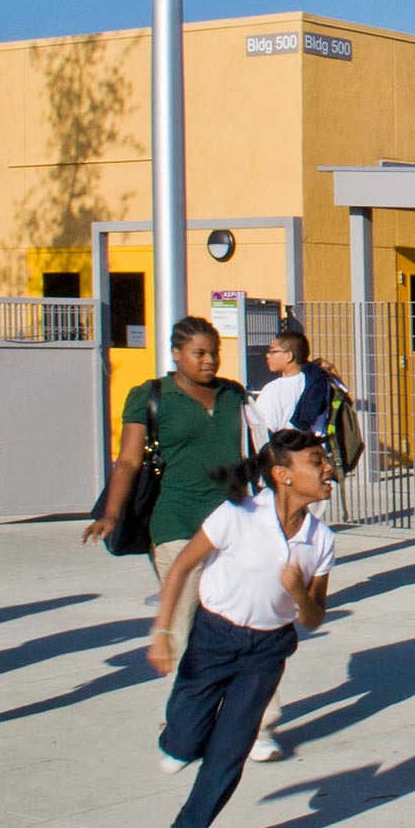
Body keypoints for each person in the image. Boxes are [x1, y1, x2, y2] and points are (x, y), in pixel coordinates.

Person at [84, 318, 281, 760]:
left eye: (214, 352)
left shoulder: (233, 394)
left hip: (234, 524)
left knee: (251, 623)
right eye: (199, 353)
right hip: (177, 524)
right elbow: (129, 462)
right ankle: (183, 721)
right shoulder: (152, 397)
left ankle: (258, 724)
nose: (209, 360)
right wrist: (111, 515)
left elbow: (257, 453)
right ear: (177, 353)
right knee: (186, 623)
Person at [150, 429, 337, 828]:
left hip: (268, 651)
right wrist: (161, 633)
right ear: (283, 474)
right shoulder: (238, 514)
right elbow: (182, 566)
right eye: (316, 461)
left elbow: (314, 617)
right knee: (185, 739)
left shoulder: (322, 540)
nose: (328, 468)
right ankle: (176, 742)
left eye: (325, 461)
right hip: (214, 637)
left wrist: (298, 593)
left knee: (230, 751)